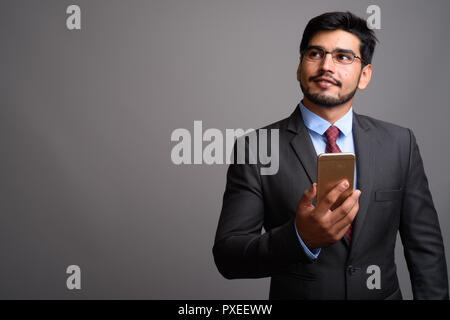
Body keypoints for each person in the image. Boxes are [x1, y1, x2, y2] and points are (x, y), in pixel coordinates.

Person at [212, 11, 448, 299]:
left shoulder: (400, 143)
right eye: (315, 53)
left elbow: (426, 250)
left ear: (364, 76)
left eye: (343, 57)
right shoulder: (256, 148)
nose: (326, 66)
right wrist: (299, 237)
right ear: (299, 67)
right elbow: (229, 255)